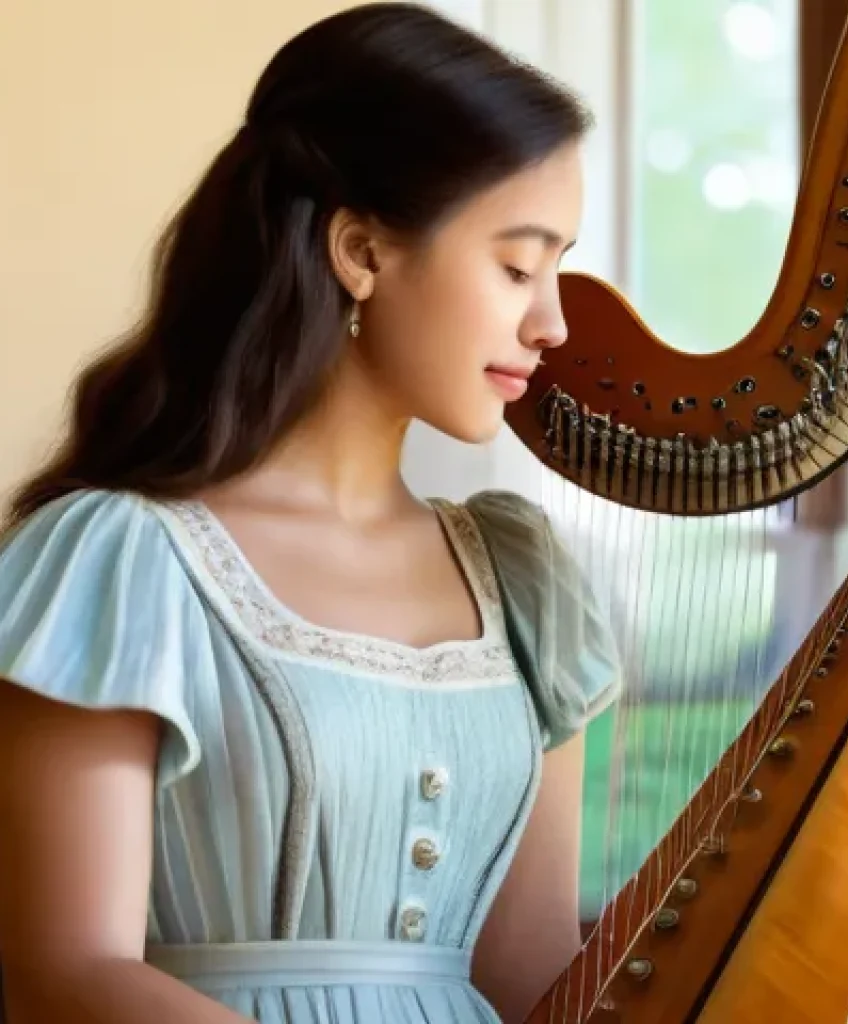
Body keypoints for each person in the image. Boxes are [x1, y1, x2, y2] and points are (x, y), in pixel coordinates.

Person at [0, 3, 621, 1023]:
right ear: (362, 251)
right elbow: (68, 974)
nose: (551, 322)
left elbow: (531, 978)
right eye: (518, 265)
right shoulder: (116, 560)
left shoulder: (522, 582)